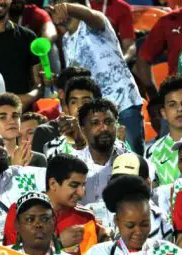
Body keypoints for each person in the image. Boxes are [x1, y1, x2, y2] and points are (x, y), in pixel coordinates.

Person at [51, 1, 143, 154]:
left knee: (132, 157)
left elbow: (89, 14)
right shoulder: (66, 39)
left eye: (58, 3)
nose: (54, 9)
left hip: (123, 104)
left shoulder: (95, 22)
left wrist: (68, 8)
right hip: (96, 112)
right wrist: (57, 80)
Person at [3, 154, 102, 255]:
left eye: (83, 185)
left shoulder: (86, 218)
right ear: (53, 184)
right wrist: (58, 243)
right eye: (74, 185)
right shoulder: (20, 211)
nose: (81, 193)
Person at [87, 152, 175, 241]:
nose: (123, 189)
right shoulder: (96, 211)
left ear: (147, 184)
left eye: (130, 183)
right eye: (118, 182)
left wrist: (107, 241)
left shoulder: (158, 219)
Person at [74, 98, 130, 205]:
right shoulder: (73, 167)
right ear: (83, 129)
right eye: (95, 123)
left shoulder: (134, 164)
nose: (104, 128)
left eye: (109, 122)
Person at [41, 75, 103, 159]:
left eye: (86, 102)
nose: (79, 106)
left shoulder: (110, 139)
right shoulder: (53, 148)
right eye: (73, 102)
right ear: (67, 108)